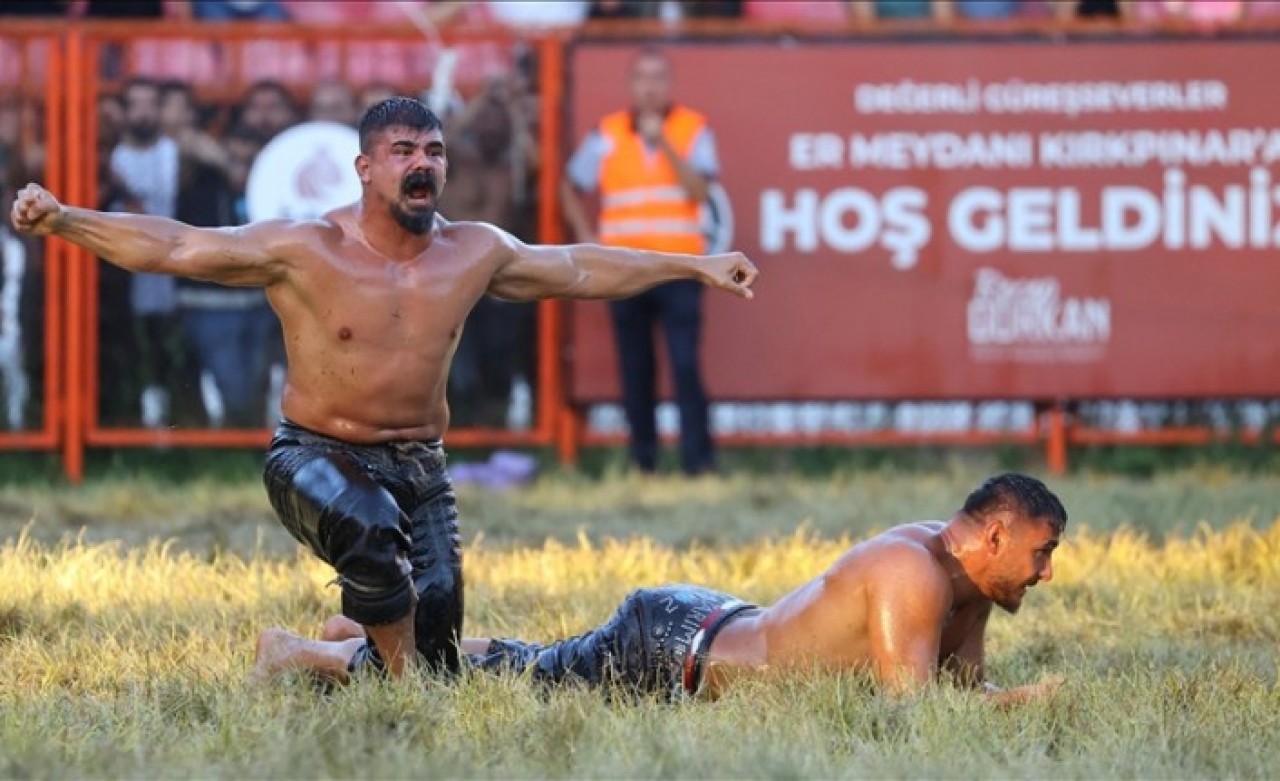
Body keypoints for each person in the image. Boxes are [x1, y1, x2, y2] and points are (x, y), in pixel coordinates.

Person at [10, 97, 758, 679]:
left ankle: (310, 650)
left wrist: (692, 265)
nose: (421, 163)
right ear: (366, 168)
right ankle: (409, 702)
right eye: (402, 151)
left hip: (421, 468)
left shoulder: (474, 251)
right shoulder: (307, 249)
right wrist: (68, 219)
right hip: (312, 456)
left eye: (432, 151)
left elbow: (579, 267)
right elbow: (176, 244)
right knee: (376, 549)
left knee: (435, 650)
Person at [253, 473, 1067, 705]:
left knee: (530, 661)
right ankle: (295, 654)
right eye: (1041, 551)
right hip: (673, 652)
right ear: (994, 534)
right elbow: (913, 711)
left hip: (710, 622)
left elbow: (961, 687)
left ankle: (349, 637)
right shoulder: (911, 571)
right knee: (497, 684)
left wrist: (1002, 695)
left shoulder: (965, 582)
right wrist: (1025, 700)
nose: (1047, 572)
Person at [561, 46, 720, 476]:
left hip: (678, 266)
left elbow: (700, 192)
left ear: (669, 84)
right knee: (635, 367)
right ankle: (643, 461)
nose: (650, 87)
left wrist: (663, 143)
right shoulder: (608, 132)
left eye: (658, 78)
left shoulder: (692, 129)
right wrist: (586, 234)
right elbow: (570, 185)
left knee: (685, 365)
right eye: (642, 78)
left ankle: (698, 462)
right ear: (631, 85)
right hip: (625, 268)